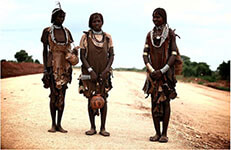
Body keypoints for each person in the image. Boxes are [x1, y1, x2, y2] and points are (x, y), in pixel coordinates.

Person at [142, 8, 182, 142]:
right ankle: (157, 133)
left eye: (158, 17)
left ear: (164, 18)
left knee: (165, 102)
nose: (155, 19)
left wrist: (163, 70)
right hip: (153, 74)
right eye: (153, 17)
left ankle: (164, 134)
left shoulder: (169, 34)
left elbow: (174, 54)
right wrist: (152, 70)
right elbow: (145, 54)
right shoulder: (150, 34)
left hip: (166, 74)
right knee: (154, 102)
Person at [41, 3, 78, 133]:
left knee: (62, 94)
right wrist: (46, 68)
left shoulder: (67, 32)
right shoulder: (47, 31)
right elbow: (45, 51)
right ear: (53, 17)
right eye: (59, 16)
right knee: (54, 95)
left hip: (65, 66)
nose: (61, 19)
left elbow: (71, 49)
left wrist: (75, 54)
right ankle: (52, 124)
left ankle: (59, 124)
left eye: (63, 16)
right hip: (52, 66)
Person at [78, 12, 114, 136]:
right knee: (90, 98)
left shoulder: (108, 37)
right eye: (94, 21)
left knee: (103, 98)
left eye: (98, 21)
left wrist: (106, 71)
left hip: (103, 73)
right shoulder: (85, 37)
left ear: (102, 22)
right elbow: (82, 56)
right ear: (90, 23)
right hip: (88, 73)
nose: (96, 23)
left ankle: (103, 128)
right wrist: (90, 71)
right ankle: (92, 127)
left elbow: (111, 56)